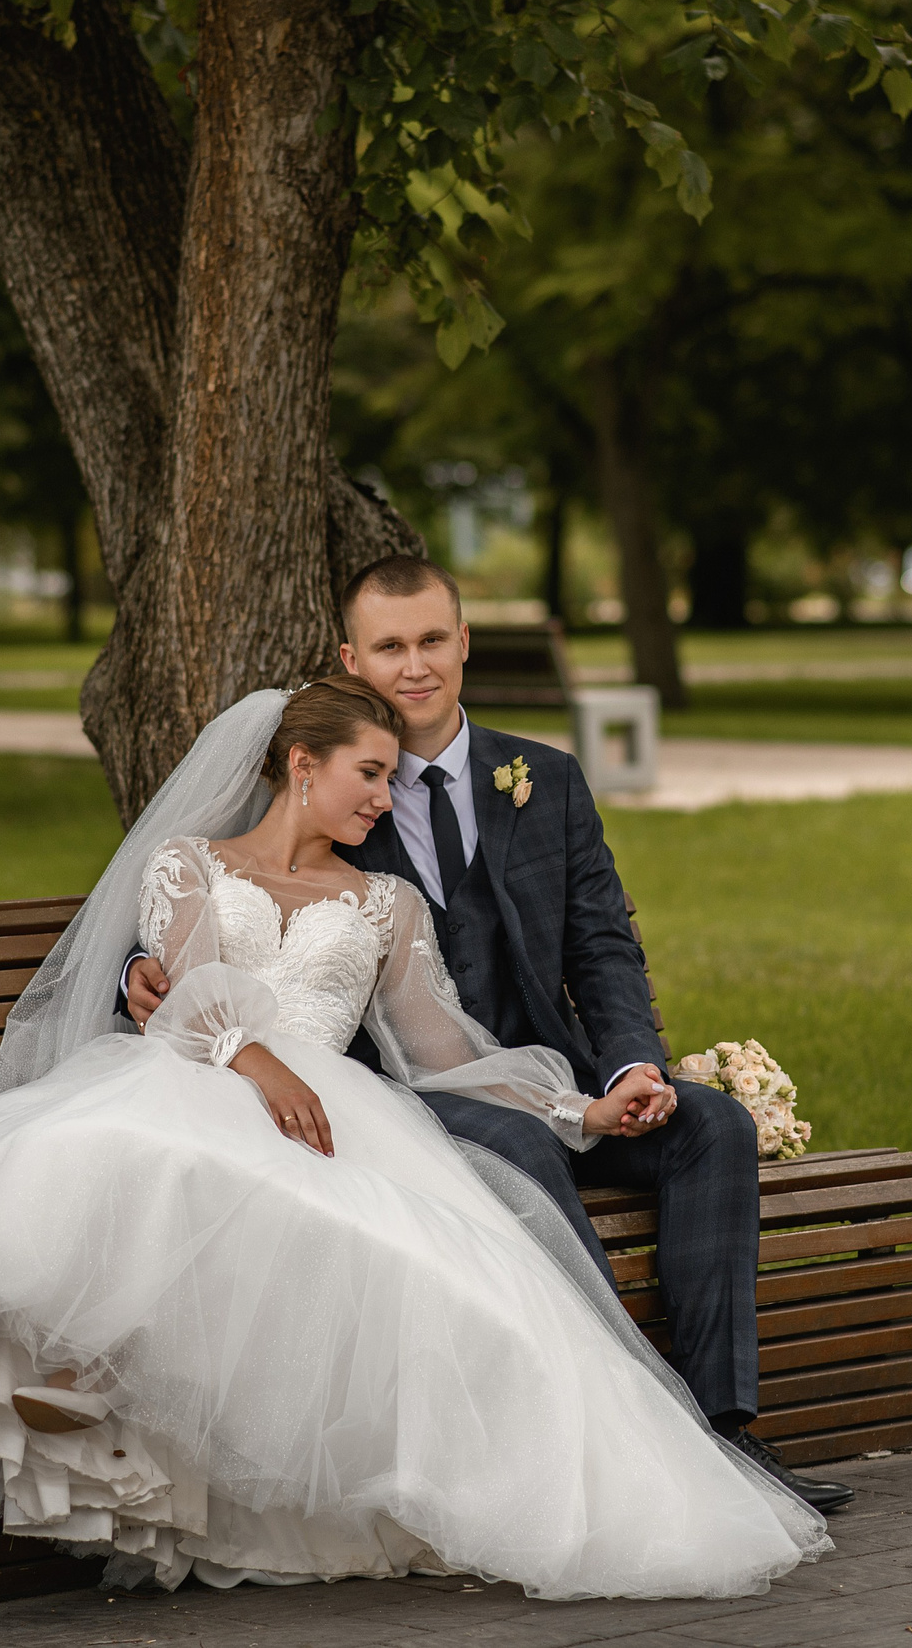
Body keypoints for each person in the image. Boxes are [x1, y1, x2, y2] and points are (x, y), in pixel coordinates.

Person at [0, 676, 831, 1600]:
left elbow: (444, 1056)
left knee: (423, 1267)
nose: (386, 798)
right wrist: (260, 1065)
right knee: (129, 1163)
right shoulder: (187, 865)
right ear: (302, 764)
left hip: (333, 1112)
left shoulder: (385, 903)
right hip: (193, 1083)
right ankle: (66, 1389)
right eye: (370, 773)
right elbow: (184, 999)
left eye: (390, 778)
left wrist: (579, 1112)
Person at [126, 557, 856, 1516]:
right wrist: (134, 972)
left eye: (433, 639)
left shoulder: (545, 778)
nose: (416, 665)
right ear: (352, 660)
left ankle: (726, 1430)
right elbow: (215, 892)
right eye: (391, 646)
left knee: (712, 1127)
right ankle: (630, 1425)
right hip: (402, 1096)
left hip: (546, 1077)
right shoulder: (335, 768)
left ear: (464, 642)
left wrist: (630, 1069)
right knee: (517, 1146)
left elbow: (602, 945)